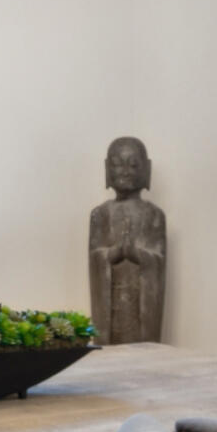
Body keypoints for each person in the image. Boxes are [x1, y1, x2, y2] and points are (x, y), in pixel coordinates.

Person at [87, 136, 167, 345]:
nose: (124, 171)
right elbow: (94, 258)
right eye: (116, 164)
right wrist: (112, 253)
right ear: (107, 169)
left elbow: (159, 261)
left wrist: (136, 253)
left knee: (142, 351)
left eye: (133, 165)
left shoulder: (154, 214)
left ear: (146, 170)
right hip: (110, 303)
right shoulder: (100, 214)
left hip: (139, 307)